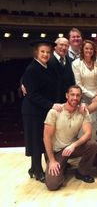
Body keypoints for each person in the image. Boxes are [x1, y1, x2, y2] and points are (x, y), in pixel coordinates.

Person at [21, 39, 61, 183]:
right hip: (33, 111)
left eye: (48, 52)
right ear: (36, 53)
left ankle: (33, 169)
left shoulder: (47, 66)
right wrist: (51, 105)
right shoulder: (32, 69)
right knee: (36, 141)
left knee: (42, 140)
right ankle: (38, 171)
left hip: (42, 109)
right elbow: (32, 95)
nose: (45, 54)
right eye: (42, 52)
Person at [43, 85, 97, 190]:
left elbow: (88, 133)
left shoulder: (83, 111)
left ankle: (82, 172)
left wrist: (73, 145)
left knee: (92, 144)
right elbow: (46, 137)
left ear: (81, 97)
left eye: (78, 95)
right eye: (72, 94)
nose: (75, 98)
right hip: (57, 152)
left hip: (71, 148)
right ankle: (60, 168)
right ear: (67, 95)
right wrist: (52, 161)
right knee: (53, 185)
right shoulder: (55, 111)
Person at [72, 40, 97, 140]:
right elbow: (78, 84)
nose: (89, 50)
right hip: (85, 97)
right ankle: (89, 149)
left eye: (91, 48)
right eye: (86, 48)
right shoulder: (76, 63)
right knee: (90, 122)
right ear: (82, 49)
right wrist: (93, 95)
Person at [48, 37, 75, 103]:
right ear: (55, 46)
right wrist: (23, 82)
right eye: (61, 45)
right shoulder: (47, 59)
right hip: (50, 99)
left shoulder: (72, 62)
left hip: (67, 101)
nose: (64, 47)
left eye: (66, 46)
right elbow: (33, 72)